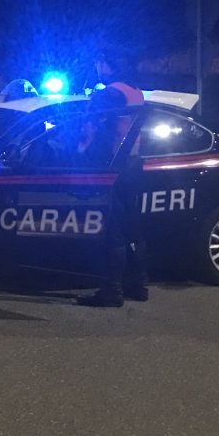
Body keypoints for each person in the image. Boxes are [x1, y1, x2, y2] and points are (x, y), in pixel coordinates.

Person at [79, 82, 149, 307]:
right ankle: (139, 286)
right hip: (134, 164)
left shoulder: (112, 92)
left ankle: (112, 291)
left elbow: (97, 123)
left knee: (113, 232)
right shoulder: (135, 90)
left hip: (115, 167)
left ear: (105, 65)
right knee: (133, 230)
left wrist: (85, 141)